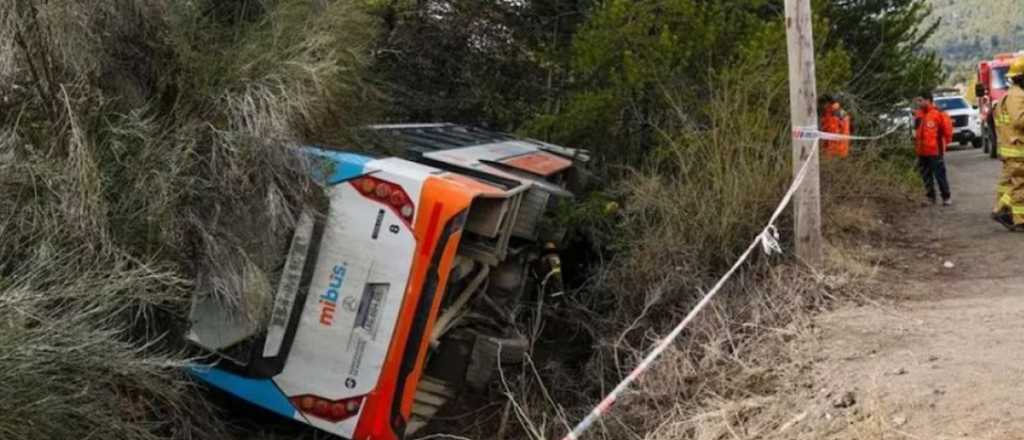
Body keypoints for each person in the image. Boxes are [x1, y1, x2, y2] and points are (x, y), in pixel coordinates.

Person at [991, 57, 1024, 230]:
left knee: (1013, 183)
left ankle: (1005, 212)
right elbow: (1019, 121)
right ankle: (1008, 214)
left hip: (1011, 148)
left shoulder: (1009, 95)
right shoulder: (1017, 95)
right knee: (1019, 185)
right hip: (1017, 148)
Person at [913, 91, 954, 206]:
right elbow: (916, 132)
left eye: (920, 100)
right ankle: (930, 198)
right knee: (926, 175)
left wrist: (945, 144)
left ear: (928, 100)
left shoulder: (938, 114)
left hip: (935, 150)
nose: (918, 103)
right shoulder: (919, 114)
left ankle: (946, 197)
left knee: (940, 174)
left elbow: (947, 131)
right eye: (917, 100)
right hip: (922, 151)